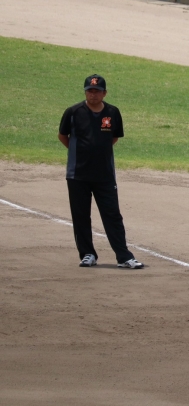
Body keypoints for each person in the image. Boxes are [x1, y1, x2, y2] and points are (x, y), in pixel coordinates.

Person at [58, 74, 144, 269]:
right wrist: (79, 152)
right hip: (77, 174)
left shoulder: (112, 112)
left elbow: (114, 137)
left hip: (104, 175)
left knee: (112, 214)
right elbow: (63, 136)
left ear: (104, 93)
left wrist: (98, 152)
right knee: (81, 215)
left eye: (97, 91)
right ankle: (87, 254)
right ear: (85, 92)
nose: (93, 94)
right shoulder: (73, 112)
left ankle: (124, 257)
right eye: (89, 91)